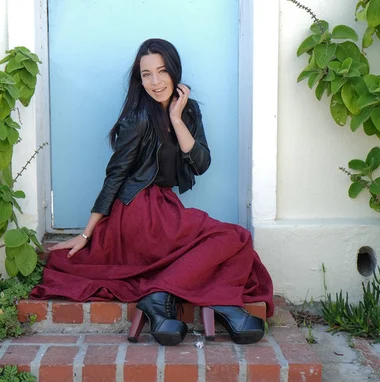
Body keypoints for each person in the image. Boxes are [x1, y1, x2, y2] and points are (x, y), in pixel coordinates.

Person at [30, 38, 274, 346]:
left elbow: (201, 164)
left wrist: (175, 118)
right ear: (139, 78)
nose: (155, 82)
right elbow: (115, 176)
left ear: (174, 71)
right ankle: (214, 302)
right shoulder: (138, 118)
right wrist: (86, 234)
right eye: (147, 74)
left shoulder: (189, 111)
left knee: (232, 240)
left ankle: (161, 297)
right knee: (233, 238)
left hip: (164, 208)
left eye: (162, 72)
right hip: (137, 210)